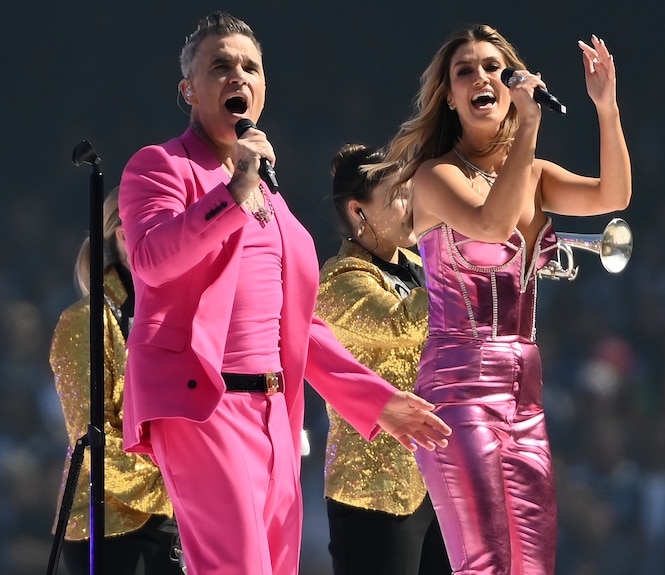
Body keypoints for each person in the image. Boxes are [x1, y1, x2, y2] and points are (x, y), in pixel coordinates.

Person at [116, 11, 451, 575]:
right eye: (220, 66)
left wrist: (376, 401)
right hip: (204, 405)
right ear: (189, 90)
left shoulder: (275, 201)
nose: (237, 77)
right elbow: (152, 259)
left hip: (276, 414)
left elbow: (299, 325)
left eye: (250, 66)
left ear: (263, 87)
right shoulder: (162, 167)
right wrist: (236, 187)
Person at [374, 24, 632, 574]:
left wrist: (605, 108)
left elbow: (615, 195)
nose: (481, 78)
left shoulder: (532, 175)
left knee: (533, 567)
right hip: (458, 389)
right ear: (449, 96)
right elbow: (492, 227)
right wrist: (530, 127)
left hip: (526, 396)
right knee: (483, 564)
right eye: (465, 71)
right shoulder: (435, 175)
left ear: (512, 79)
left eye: (493, 67)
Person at [316, 144, 450, 575]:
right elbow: (401, 323)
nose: (411, 203)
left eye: (411, 191)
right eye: (398, 195)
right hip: (372, 492)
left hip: (437, 480)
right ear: (359, 211)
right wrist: (473, 263)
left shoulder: (418, 264)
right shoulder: (339, 280)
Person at [49, 186, 184, 575]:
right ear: (126, 236)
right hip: (104, 520)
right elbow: (91, 438)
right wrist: (175, 482)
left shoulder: (187, 313)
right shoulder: (83, 322)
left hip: (175, 513)